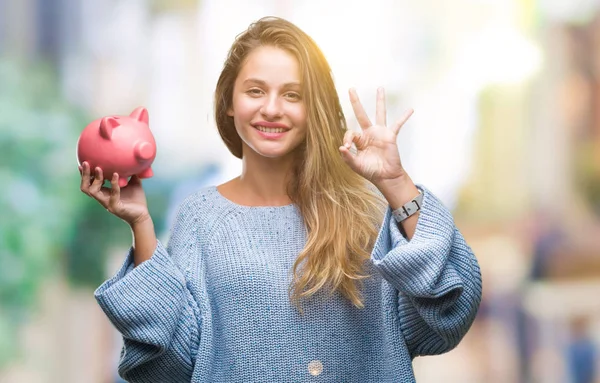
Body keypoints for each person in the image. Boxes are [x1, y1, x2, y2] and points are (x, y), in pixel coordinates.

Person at [79, 16, 482, 383]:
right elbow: (170, 366)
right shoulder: (201, 218)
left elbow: (449, 315)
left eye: (293, 95)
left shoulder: (366, 209)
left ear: (315, 109)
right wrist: (141, 224)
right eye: (255, 90)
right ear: (229, 104)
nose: (271, 109)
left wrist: (395, 183)